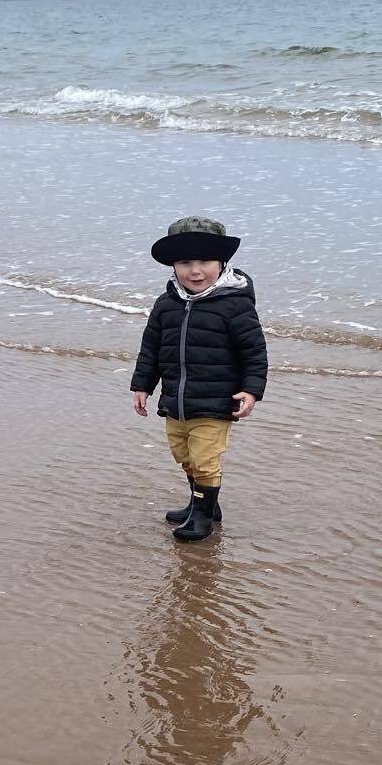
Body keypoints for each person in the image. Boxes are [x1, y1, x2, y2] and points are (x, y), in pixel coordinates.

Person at [130, 216, 268, 542]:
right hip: (175, 399)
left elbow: (254, 352)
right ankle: (203, 503)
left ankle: (202, 518)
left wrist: (251, 391)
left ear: (221, 263)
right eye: (185, 262)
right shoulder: (166, 304)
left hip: (217, 402)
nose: (195, 271)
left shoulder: (235, 305)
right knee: (183, 454)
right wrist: (142, 385)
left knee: (205, 460)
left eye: (204, 261)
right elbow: (150, 348)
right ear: (173, 266)